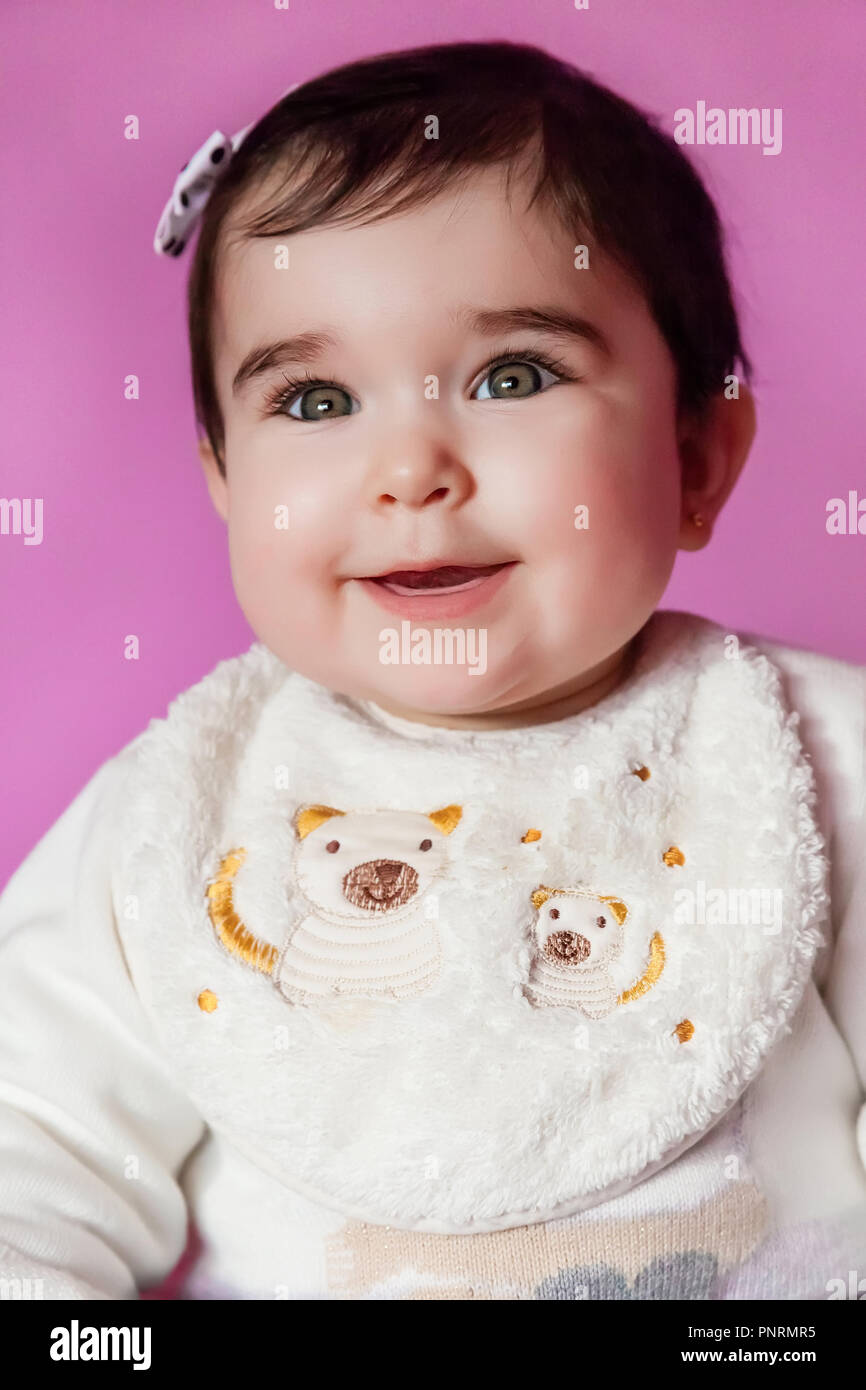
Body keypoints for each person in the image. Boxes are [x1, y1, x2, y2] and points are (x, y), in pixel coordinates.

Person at [1, 40, 863, 1301]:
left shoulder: (813, 763)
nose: (410, 468)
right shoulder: (179, 811)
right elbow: (30, 1153)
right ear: (225, 481)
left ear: (695, 455)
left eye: (512, 376)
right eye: (310, 401)